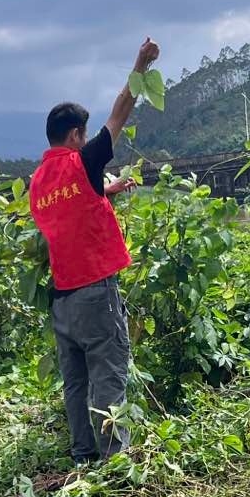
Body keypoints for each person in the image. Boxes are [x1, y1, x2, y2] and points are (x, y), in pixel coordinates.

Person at [29, 37, 157, 464]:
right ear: (75, 135)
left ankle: (84, 456)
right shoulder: (80, 162)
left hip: (63, 299)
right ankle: (114, 460)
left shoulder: (38, 182)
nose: (87, 142)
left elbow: (73, 206)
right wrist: (140, 63)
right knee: (108, 373)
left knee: (76, 381)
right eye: (83, 137)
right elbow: (119, 113)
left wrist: (110, 189)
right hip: (95, 294)